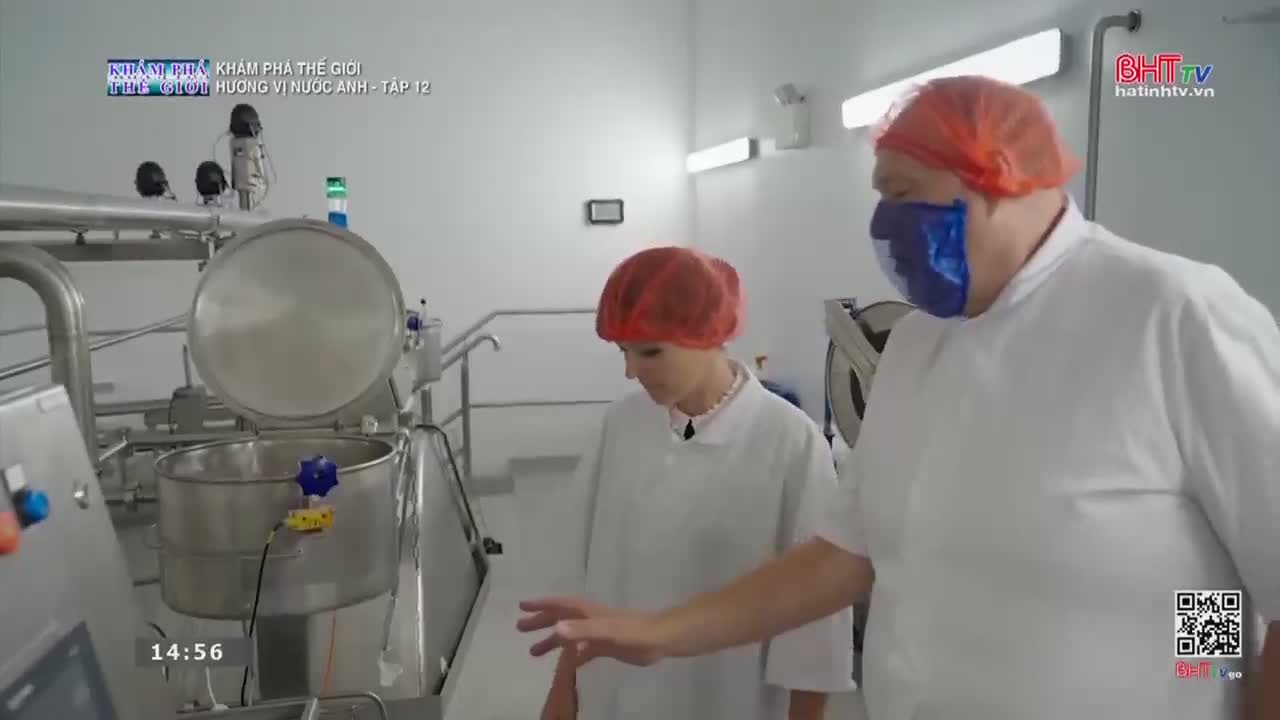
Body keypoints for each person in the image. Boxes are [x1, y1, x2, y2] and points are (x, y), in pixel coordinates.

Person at [518, 75, 1280, 719]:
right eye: (881, 198)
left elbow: (1239, 582)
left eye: (907, 195)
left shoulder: (1168, 316)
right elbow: (841, 558)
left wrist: (1200, 669)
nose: (887, 226)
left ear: (1002, 173)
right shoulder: (919, 345)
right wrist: (663, 631)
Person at [538, 246, 855, 720]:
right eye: (623, 352)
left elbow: (816, 624)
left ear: (709, 335)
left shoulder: (787, 440)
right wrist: (563, 693)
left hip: (727, 697)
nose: (631, 370)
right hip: (615, 697)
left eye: (649, 352)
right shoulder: (621, 425)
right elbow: (582, 581)